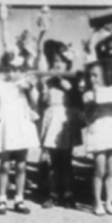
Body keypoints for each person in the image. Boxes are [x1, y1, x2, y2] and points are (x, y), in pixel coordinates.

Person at [0, 51, 41, 215]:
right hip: (6, 126)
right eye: (10, 69)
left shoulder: (24, 86)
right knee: (4, 165)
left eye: (17, 69)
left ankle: (19, 199)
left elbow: (35, 100)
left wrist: (32, 87)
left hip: (22, 125)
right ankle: (1, 199)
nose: (13, 73)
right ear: (4, 69)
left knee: (21, 164)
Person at [38, 39, 83, 209]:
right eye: (56, 61)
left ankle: (68, 193)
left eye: (62, 61)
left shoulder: (71, 80)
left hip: (66, 119)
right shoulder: (48, 81)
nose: (58, 64)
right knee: (53, 160)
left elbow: (77, 99)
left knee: (66, 160)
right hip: (52, 118)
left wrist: (68, 86)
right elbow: (43, 101)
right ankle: (53, 193)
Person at [83, 60, 112, 216]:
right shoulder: (89, 95)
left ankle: (109, 201)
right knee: (99, 168)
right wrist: (95, 104)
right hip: (98, 130)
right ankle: (97, 202)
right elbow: (88, 118)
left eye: (96, 75)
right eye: (90, 76)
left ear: (104, 76)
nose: (93, 79)